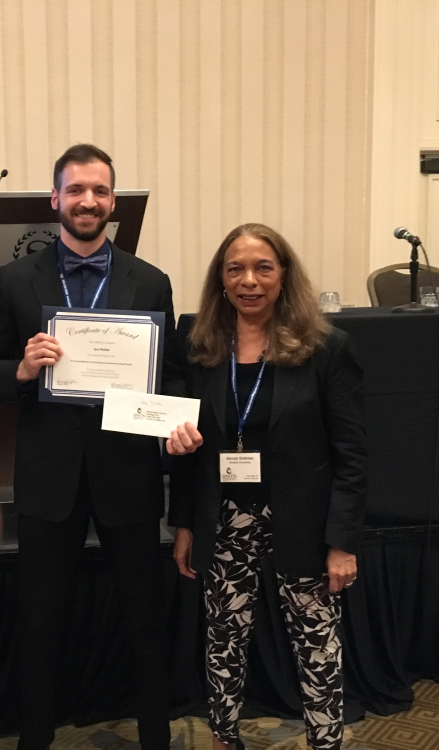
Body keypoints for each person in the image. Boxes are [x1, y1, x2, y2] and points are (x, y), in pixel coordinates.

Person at [0, 143, 201, 750]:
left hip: (129, 475)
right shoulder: (17, 279)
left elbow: (172, 376)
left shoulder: (151, 281)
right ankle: (34, 741)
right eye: (76, 190)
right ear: (56, 199)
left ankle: (156, 739)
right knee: (39, 624)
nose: (87, 201)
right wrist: (21, 369)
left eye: (99, 190)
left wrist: (177, 422)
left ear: (113, 202)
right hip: (50, 479)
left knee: (145, 621)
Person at [168, 223, 366, 750]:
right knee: (223, 642)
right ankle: (223, 737)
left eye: (263, 268)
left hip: (304, 522)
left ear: (283, 276)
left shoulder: (327, 348)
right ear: (221, 278)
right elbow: (189, 451)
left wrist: (342, 543)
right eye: (235, 269)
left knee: (317, 646)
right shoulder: (201, 348)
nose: (249, 281)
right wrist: (184, 524)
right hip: (224, 519)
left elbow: (352, 455)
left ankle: (326, 742)